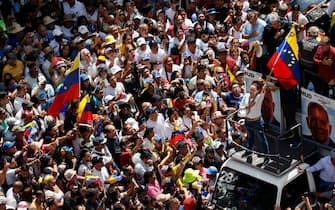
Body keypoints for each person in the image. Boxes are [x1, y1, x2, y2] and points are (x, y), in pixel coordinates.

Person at [239, 79, 269, 155]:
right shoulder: (246, 96)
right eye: (250, 89)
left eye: (253, 90)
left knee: (261, 139)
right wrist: (248, 106)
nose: (251, 91)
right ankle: (249, 151)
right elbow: (241, 106)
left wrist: (264, 84)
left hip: (257, 121)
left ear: (257, 91)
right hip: (248, 120)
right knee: (250, 137)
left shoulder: (259, 97)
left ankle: (266, 155)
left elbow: (263, 90)